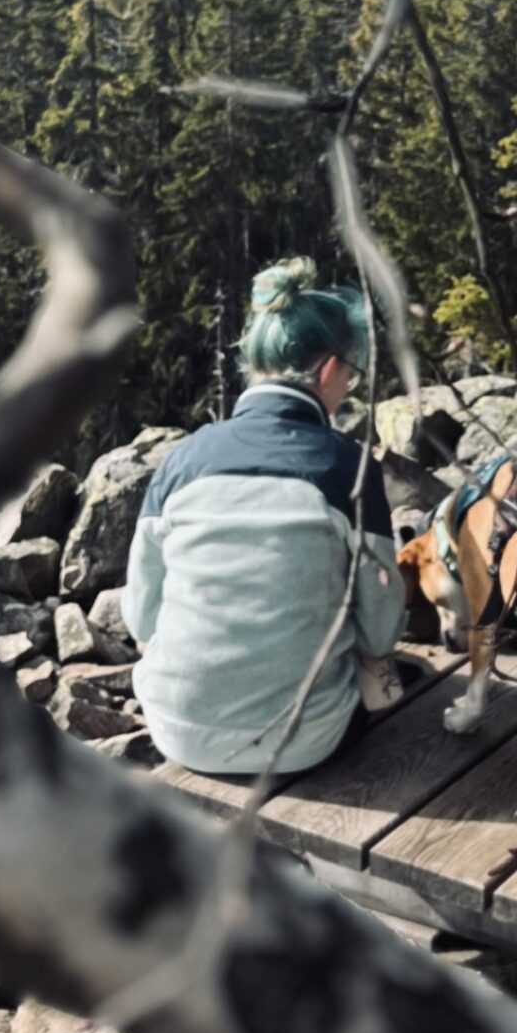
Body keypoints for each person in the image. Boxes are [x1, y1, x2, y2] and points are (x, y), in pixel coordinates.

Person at [124, 258, 405, 777]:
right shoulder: (346, 465)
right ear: (328, 369)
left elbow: (139, 619)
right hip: (303, 743)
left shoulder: (182, 460)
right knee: (391, 673)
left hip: (176, 730)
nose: (347, 385)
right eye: (351, 372)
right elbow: (380, 630)